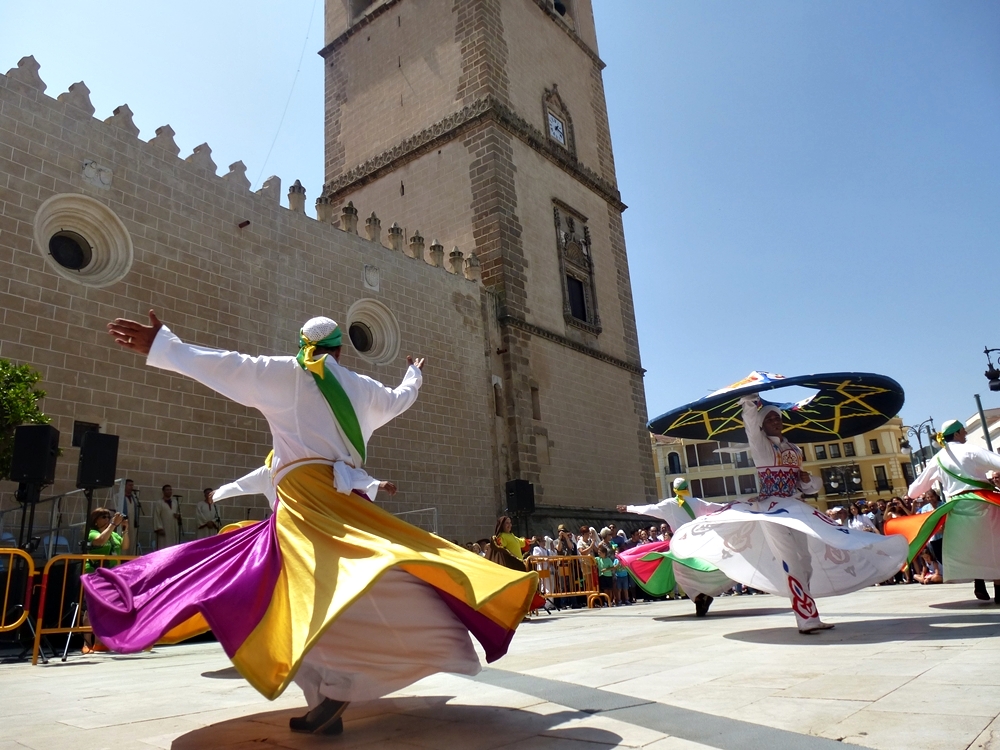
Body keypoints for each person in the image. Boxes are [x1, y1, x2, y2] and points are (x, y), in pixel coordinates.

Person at [83, 311, 537, 736]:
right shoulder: (363, 387)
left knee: (286, 587)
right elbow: (402, 399)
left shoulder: (288, 373)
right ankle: (344, 684)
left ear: (304, 345)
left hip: (305, 501)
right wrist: (414, 371)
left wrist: (165, 346)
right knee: (365, 572)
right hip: (348, 501)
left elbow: (228, 366)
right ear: (341, 351)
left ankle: (330, 687)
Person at [669, 396, 906, 633]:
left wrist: (807, 481)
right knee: (791, 560)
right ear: (762, 424)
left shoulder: (793, 449)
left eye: (777, 417)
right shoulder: (762, 446)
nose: (775, 420)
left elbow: (808, 486)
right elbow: (750, 427)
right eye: (769, 418)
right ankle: (806, 618)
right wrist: (750, 404)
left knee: (805, 561)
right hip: (772, 509)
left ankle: (809, 611)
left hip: (796, 506)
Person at [897, 419, 1000, 603]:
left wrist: (908, 496)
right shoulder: (971, 450)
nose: (966, 434)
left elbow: (914, 490)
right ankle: (999, 589)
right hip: (982, 503)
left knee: (968, 547)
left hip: (957, 507)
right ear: (958, 433)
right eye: (964, 431)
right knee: (993, 545)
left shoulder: (938, 458)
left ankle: (978, 581)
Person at [617, 477, 733, 617]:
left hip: (681, 544)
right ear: (687, 488)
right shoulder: (696, 502)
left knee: (680, 573)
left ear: (674, 490)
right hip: (698, 541)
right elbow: (715, 507)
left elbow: (649, 508)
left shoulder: (670, 504)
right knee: (702, 568)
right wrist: (735, 504)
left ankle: (699, 596)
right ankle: (701, 596)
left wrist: (629, 508)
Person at [82, 507, 131, 654]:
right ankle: (86, 642)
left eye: (108, 516)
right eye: (103, 516)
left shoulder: (113, 535)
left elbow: (125, 546)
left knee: (105, 608)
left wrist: (125, 529)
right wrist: (113, 525)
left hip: (112, 575)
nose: (107, 518)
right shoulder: (92, 533)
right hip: (95, 574)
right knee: (91, 608)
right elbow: (100, 541)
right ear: (95, 521)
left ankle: (100, 641)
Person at [116, 479, 142, 554]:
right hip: (122, 524)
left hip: (132, 524)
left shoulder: (134, 498)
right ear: (124, 486)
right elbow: (114, 510)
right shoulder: (118, 497)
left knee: (132, 542)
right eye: (129, 485)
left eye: (132, 485)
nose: (131, 487)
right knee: (123, 541)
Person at [151, 484, 180, 549]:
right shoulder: (159, 503)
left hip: (173, 528)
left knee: (173, 546)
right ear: (163, 491)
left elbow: (178, 513)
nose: (169, 491)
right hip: (164, 528)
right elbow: (156, 515)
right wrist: (159, 528)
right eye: (167, 490)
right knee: (163, 545)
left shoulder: (175, 502)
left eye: (170, 490)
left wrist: (178, 516)